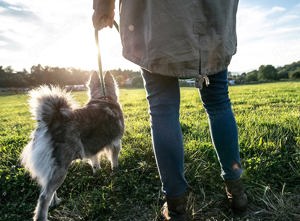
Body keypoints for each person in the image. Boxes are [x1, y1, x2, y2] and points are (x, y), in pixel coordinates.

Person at [93, 0, 248, 220]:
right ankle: (236, 190)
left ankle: (176, 206)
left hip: (157, 15)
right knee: (219, 101)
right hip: (213, 14)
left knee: (162, 108)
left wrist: (103, 8)